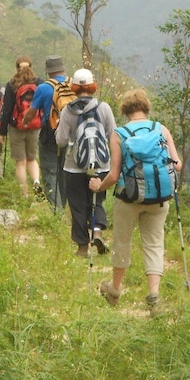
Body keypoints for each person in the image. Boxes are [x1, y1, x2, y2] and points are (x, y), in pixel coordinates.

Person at [89, 89, 182, 306]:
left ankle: (114, 290)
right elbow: (177, 165)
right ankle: (154, 294)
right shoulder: (161, 130)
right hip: (159, 197)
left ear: (125, 110)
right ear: (146, 107)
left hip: (128, 198)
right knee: (154, 244)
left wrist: (98, 186)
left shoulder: (119, 134)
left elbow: (113, 175)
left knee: (122, 241)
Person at [55, 68, 115, 258]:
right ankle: (97, 230)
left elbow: (61, 141)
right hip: (100, 165)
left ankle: (82, 247)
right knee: (97, 199)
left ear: (74, 87)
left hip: (73, 166)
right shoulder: (104, 108)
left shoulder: (67, 110)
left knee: (77, 205)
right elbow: (113, 135)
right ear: (92, 86)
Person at [22, 55, 69, 210]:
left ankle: (57, 210)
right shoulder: (72, 84)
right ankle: (64, 204)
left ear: (48, 72)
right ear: (62, 68)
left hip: (50, 134)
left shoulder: (43, 87)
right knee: (65, 170)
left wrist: (25, 121)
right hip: (71, 134)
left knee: (50, 171)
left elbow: (32, 111)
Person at [0, 56, 42, 197]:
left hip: (16, 127)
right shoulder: (39, 83)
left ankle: (24, 193)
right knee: (32, 159)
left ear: (17, 67)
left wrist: (2, 132)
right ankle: (36, 181)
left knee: (20, 162)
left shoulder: (12, 84)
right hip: (35, 126)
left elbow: (6, 110)